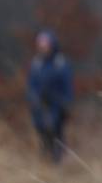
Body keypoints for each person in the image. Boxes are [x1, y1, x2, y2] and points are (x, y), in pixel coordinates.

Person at [27, 29, 73, 163]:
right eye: (40, 45)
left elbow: (67, 85)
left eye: (45, 44)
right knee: (42, 134)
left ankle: (57, 163)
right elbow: (31, 85)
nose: (43, 48)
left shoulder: (60, 63)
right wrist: (32, 98)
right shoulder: (36, 64)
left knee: (56, 134)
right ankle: (45, 163)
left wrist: (66, 103)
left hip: (56, 105)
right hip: (39, 107)